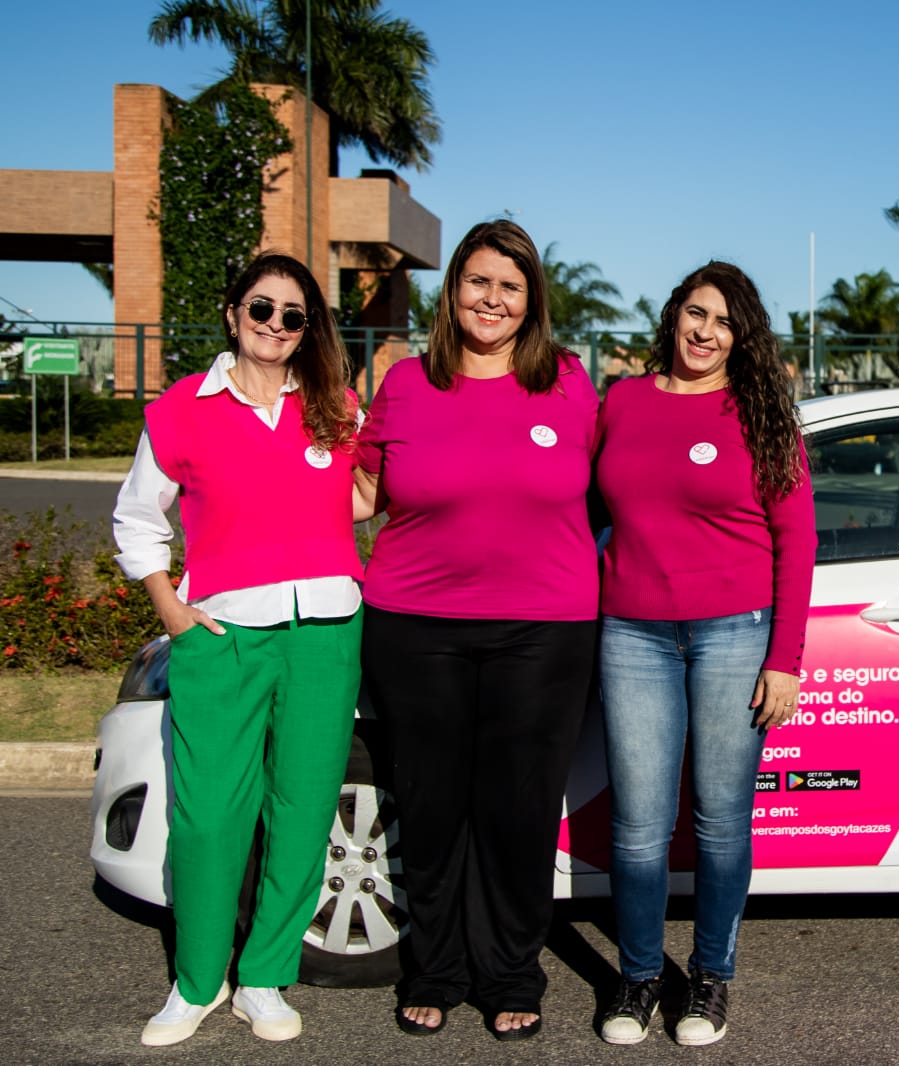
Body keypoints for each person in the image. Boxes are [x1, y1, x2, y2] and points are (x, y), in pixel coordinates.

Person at [112, 252, 366, 1046]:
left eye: (295, 316)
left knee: (300, 814)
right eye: (263, 309)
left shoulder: (335, 406)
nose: (277, 327)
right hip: (220, 636)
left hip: (326, 631)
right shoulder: (183, 409)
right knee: (209, 819)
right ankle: (196, 982)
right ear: (233, 314)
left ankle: (263, 976)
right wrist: (173, 611)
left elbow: (366, 500)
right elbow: (137, 520)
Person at [354, 219, 598, 1041]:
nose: (491, 300)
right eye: (478, 282)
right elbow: (356, 492)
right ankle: (437, 968)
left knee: (519, 810)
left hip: (544, 630)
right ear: (453, 288)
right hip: (415, 626)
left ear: (532, 302)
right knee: (431, 807)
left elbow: (626, 485)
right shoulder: (406, 384)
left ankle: (509, 972)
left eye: (510, 286)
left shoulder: (568, 383)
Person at [594, 261, 816, 1047]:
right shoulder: (621, 402)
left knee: (721, 823)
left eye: (723, 321)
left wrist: (783, 656)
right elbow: (583, 512)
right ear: (673, 316)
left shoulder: (758, 414)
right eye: (695, 313)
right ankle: (639, 977)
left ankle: (712, 976)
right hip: (632, 634)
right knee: (638, 827)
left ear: (742, 336)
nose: (705, 331)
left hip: (734, 633)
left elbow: (797, 539)